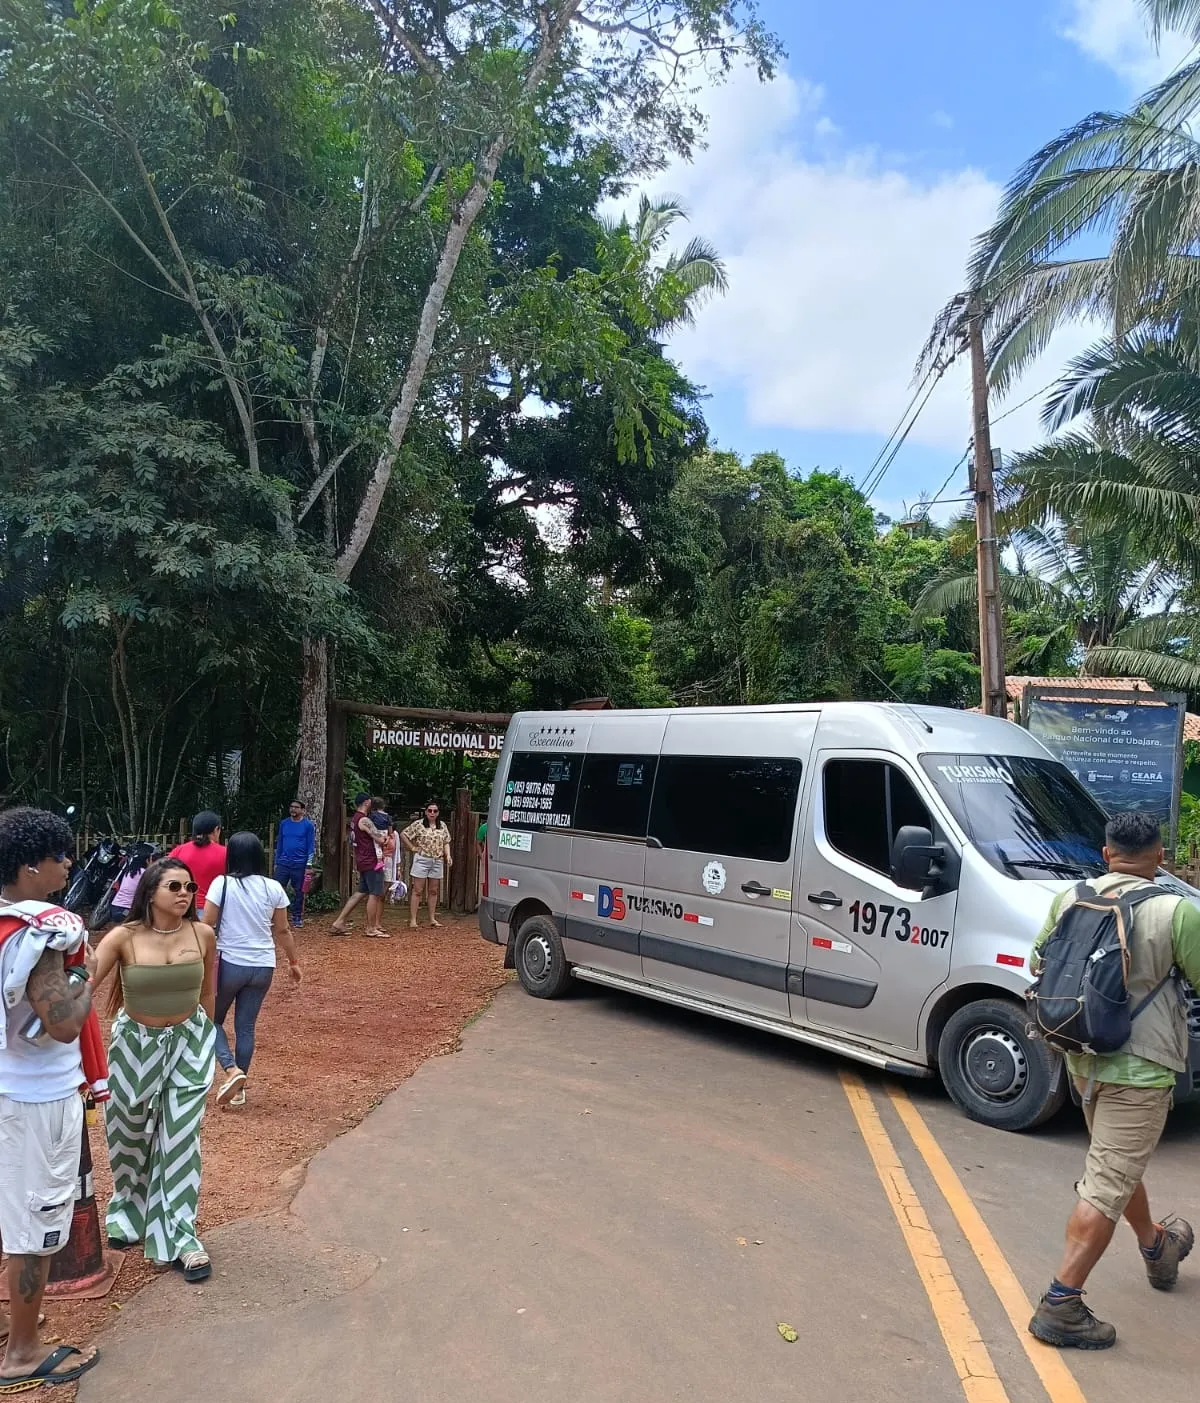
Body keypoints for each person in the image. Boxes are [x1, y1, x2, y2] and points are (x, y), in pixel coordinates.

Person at [1028, 811, 1200, 1350]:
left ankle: (1156, 1247)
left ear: (1106, 853)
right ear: (1160, 856)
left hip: (1081, 1057)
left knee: (1115, 1162)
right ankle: (1062, 1304)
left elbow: (1039, 959)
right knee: (1106, 1183)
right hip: (1141, 1069)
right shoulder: (1176, 910)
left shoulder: (1070, 898)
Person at [0, 808, 102, 1390]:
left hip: (6, 1084)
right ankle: (23, 1350)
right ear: (29, 864)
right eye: (59, 856)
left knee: (9, 1214)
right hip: (36, 1101)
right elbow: (62, 1023)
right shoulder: (46, 933)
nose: (67, 864)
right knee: (34, 1225)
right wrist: (85, 974)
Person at [93, 858, 218, 1283]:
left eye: (190, 887)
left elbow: (208, 992)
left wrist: (210, 1041)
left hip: (188, 1044)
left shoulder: (202, 934)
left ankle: (181, 1236)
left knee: (181, 1139)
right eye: (175, 887)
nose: (185, 894)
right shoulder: (123, 938)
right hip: (134, 1047)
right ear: (150, 892)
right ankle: (129, 1211)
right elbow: (82, 987)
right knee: (127, 1132)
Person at [202, 832, 302, 1110]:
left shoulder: (221, 884)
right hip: (263, 965)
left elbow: (207, 923)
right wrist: (293, 963)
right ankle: (239, 1091)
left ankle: (231, 1069)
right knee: (245, 1027)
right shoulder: (273, 887)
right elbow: (282, 930)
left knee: (209, 1019)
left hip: (231, 962)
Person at [331, 794, 387, 939]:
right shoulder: (364, 820)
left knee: (361, 892)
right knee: (375, 894)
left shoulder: (354, 820)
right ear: (367, 802)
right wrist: (386, 838)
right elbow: (380, 839)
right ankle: (371, 927)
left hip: (362, 860)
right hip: (372, 861)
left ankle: (339, 922)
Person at [402, 801, 453, 929]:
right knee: (417, 890)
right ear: (426, 812)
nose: (432, 813)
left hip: (437, 860)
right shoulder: (419, 824)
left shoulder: (442, 825)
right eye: (430, 810)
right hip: (423, 859)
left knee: (433, 890)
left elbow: (446, 841)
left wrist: (448, 855)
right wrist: (413, 848)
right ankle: (413, 919)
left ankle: (432, 918)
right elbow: (404, 834)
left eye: (435, 811)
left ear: (438, 813)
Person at [169, 810, 227, 910]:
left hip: (183, 906)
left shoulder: (178, 851)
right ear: (216, 829)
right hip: (213, 909)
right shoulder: (226, 853)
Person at [273, 799, 315, 928]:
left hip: (300, 863)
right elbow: (279, 842)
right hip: (283, 862)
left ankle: (297, 916)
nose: (293, 809)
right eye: (291, 807)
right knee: (277, 890)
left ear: (302, 810)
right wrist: (277, 861)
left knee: (299, 891)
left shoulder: (308, 825)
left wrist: (308, 865)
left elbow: (311, 846)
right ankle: (276, 916)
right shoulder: (284, 823)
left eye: (296, 807)